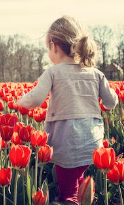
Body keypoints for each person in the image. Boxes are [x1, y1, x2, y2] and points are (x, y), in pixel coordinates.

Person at [16, 15, 118, 205]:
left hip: (66, 140)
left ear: (54, 46)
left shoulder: (53, 72)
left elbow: (36, 98)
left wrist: (20, 102)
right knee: (79, 179)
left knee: (68, 192)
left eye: (48, 48)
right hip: (92, 141)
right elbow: (111, 102)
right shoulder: (96, 73)